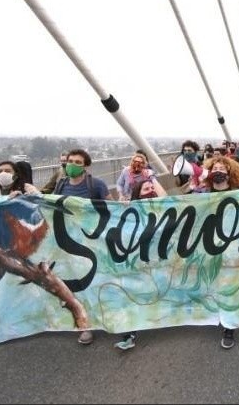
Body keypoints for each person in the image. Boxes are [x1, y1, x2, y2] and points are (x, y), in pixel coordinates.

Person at [53, 149, 113, 345]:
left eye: (78, 162)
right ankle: (85, 325)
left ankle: (109, 315)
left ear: (86, 166)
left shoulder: (96, 185)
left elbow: (112, 207)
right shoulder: (61, 184)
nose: (72, 164)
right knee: (79, 286)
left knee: (99, 282)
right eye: (70, 161)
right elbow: (52, 207)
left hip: (94, 243)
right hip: (70, 245)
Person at [196, 155, 239, 348]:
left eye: (222, 168)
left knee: (228, 284)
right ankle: (217, 315)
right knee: (212, 284)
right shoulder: (201, 194)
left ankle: (228, 326)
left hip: (231, 247)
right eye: (215, 168)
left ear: (229, 173)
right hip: (208, 246)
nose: (219, 171)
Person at [115, 178, 167, 351]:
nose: (151, 190)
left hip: (161, 264)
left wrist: (152, 180)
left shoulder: (165, 208)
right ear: (138, 193)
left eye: (153, 188)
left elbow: (165, 197)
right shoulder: (130, 213)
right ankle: (129, 334)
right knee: (133, 296)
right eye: (146, 189)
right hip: (139, 265)